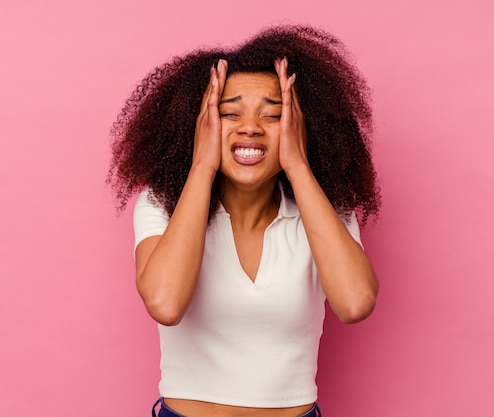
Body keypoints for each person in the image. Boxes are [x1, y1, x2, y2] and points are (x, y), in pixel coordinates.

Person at [108, 25, 380, 417]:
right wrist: (202, 161)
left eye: (273, 115)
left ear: (301, 127)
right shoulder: (162, 204)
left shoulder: (326, 210)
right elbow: (165, 303)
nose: (250, 127)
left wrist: (298, 164)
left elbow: (355, 304)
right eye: (229, 113)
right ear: (198, 125)